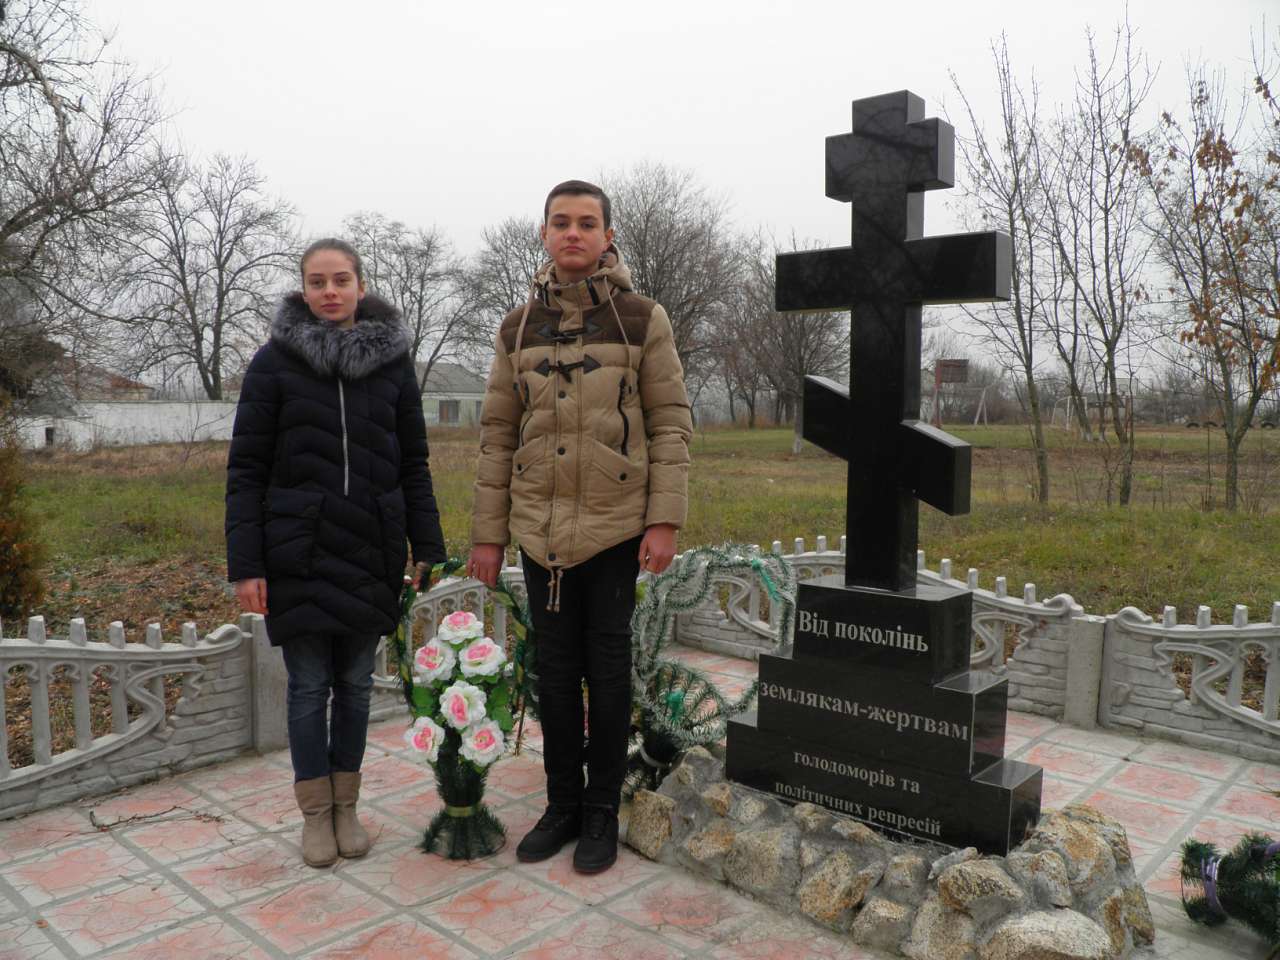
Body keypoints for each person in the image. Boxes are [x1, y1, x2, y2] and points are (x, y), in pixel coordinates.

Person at [468, 180, 692, 874]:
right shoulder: (518, 327)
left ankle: (601, 809)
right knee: (557, 675)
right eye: (560, 222)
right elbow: (497, 434)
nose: (573, 233)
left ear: (607, 237)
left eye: (587, 223)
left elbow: (670, 422)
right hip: (540, 532)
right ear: (543, 233)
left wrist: (663, 519)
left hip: (616, 529)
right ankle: (561, 804)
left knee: (609, 671)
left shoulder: (641, 319)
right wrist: (488, 534)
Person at [226, 239, 446, 868]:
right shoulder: (274, 363)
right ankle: (316, 816)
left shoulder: (393, 365)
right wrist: (247, 565)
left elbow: (414, 462)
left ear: (359, 285)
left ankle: (347, 806)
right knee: (308, 687)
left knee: (354, 686)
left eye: (341, 280)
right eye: (317, 281)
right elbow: (246, 469)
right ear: (303, 289)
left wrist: (427, 545)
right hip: (297, 549)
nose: (330, 292)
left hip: (372, 545)